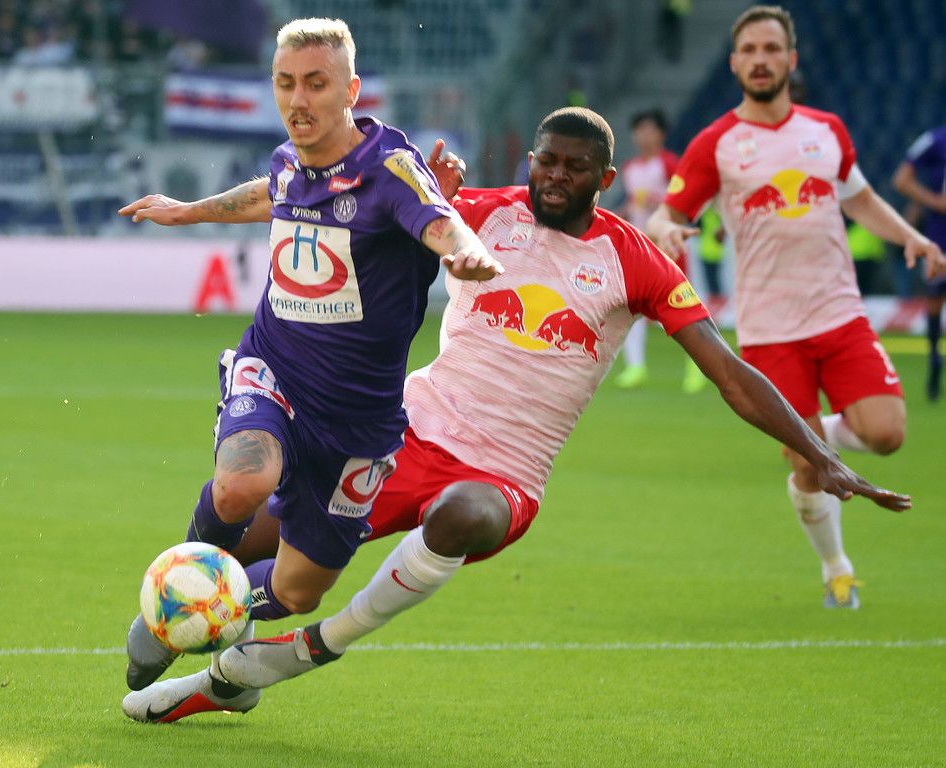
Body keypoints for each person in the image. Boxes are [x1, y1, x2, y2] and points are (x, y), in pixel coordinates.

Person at [122, 106, 911, 723]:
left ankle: (298, 653)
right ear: (530, 159)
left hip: (504, 473)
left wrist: (820, 453)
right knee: (255, 558)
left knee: (460, 516)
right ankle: (209, 657)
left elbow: (728, 372)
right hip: (401, 432)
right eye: (546, 160)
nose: (556, 176)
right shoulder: (478, 212)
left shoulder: (634, 259)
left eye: (575, 167)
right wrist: (193, 211)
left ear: (604, 178)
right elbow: (330, 197)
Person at [116, 17, 502, 707]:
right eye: (285, 83)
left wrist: (463, 251)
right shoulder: (288, 161)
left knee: (297, 590)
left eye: (316, 84)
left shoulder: (390, 167)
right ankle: (174, 598)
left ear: (350, 90)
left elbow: (440, 219)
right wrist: (187, 212)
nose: (298, 99)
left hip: (357, 423)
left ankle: (219, 612)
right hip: (275, 368)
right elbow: (269, 193)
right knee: (242, 485)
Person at [645, 5, 945, 610]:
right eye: (750, 51)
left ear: (791, 59)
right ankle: (837, 568)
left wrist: (909, 236)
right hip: (770, 328)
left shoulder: (826, 130)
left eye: (771, 49)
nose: (761, 60)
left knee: (887, 433)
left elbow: (860, 199)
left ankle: (807, 434)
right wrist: (669, 230)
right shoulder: (716, 144)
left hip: (840, 313)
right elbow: (664, 216)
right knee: (810, 468)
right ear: (735, 64)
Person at [614, 109, 706, 393]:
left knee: (680, 306)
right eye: (639, 130)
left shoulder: (669, 164)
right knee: (630, 305)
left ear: (661, 134)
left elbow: (681, 199)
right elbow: (633, 203)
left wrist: (655, 202)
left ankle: (697, 367)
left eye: (650, 129)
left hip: (669, 243)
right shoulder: (629, 168)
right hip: (640, 245)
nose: (644, 135)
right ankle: (635, 367)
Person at [892, 125, 946, 401]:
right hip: (940, 238)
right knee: (935, 300)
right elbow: (901, 179)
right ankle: (934, 359)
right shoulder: (935, 140)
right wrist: (935, 202)